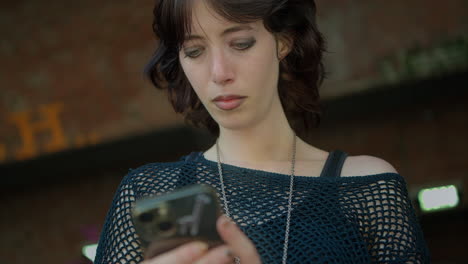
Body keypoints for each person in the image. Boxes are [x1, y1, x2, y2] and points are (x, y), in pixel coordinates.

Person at [95, 0, 430, 263]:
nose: (219, 72)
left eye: (240, 43)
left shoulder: (364, 188)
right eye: (194, 51)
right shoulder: (150, 194)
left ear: (283, 42)